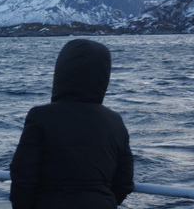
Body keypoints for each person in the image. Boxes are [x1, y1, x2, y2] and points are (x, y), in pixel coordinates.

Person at [9, 39, 134, 209]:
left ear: (60, 71)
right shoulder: (115, 121)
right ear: (103, 75)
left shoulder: (40, 116)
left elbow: (23, 174)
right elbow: (124, 182)